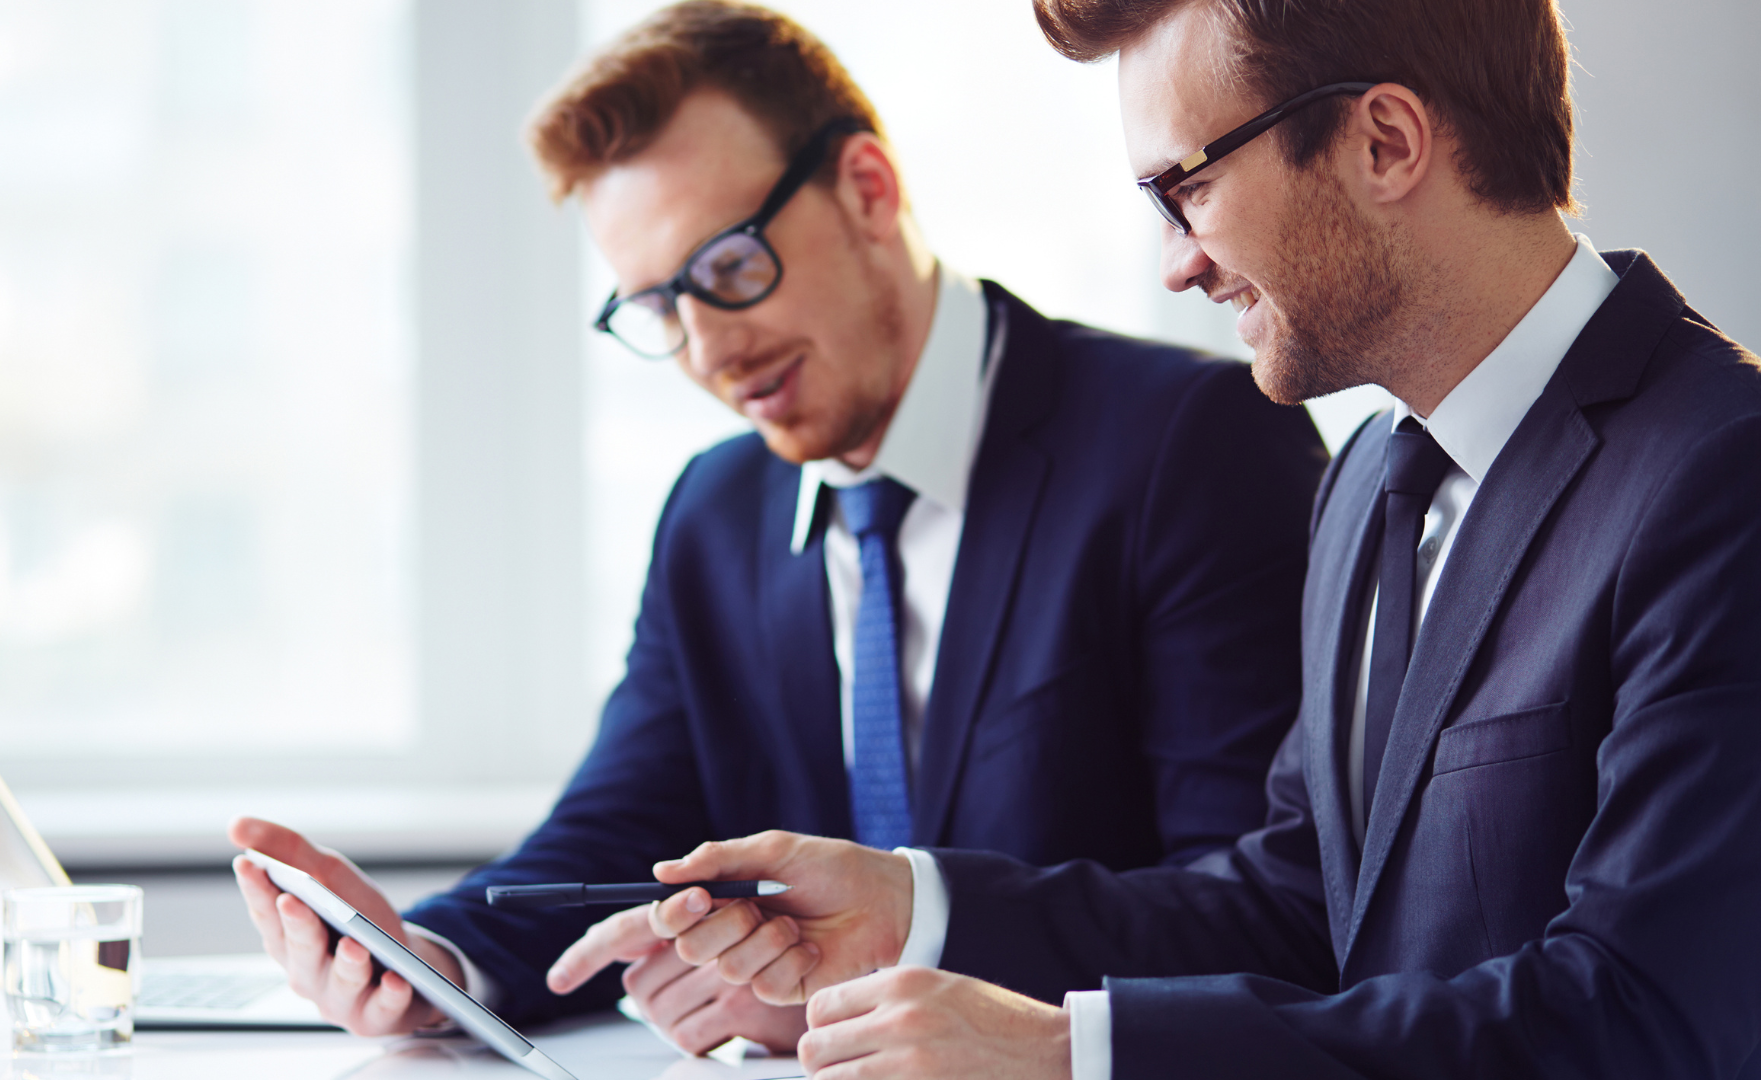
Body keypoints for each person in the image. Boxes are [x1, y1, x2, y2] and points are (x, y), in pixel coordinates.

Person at [630, 0, 1761, 1076]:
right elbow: (1292, 905)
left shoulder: (1722, 472)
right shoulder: (1372, 480)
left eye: (1191, 188)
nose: (1179, 260)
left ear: (1384, 142)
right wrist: (916, 909)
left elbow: (1645, 1015)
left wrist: (1073, 1058)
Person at [228, 0, 1327, 1055]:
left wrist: (863, 987)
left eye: (728, 270)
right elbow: (616, 833)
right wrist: (427, 963)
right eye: (660, 307)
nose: (709, 352)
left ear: (865, 187)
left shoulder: (1188, 446)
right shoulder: (716, 514)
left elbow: (1260, 911)